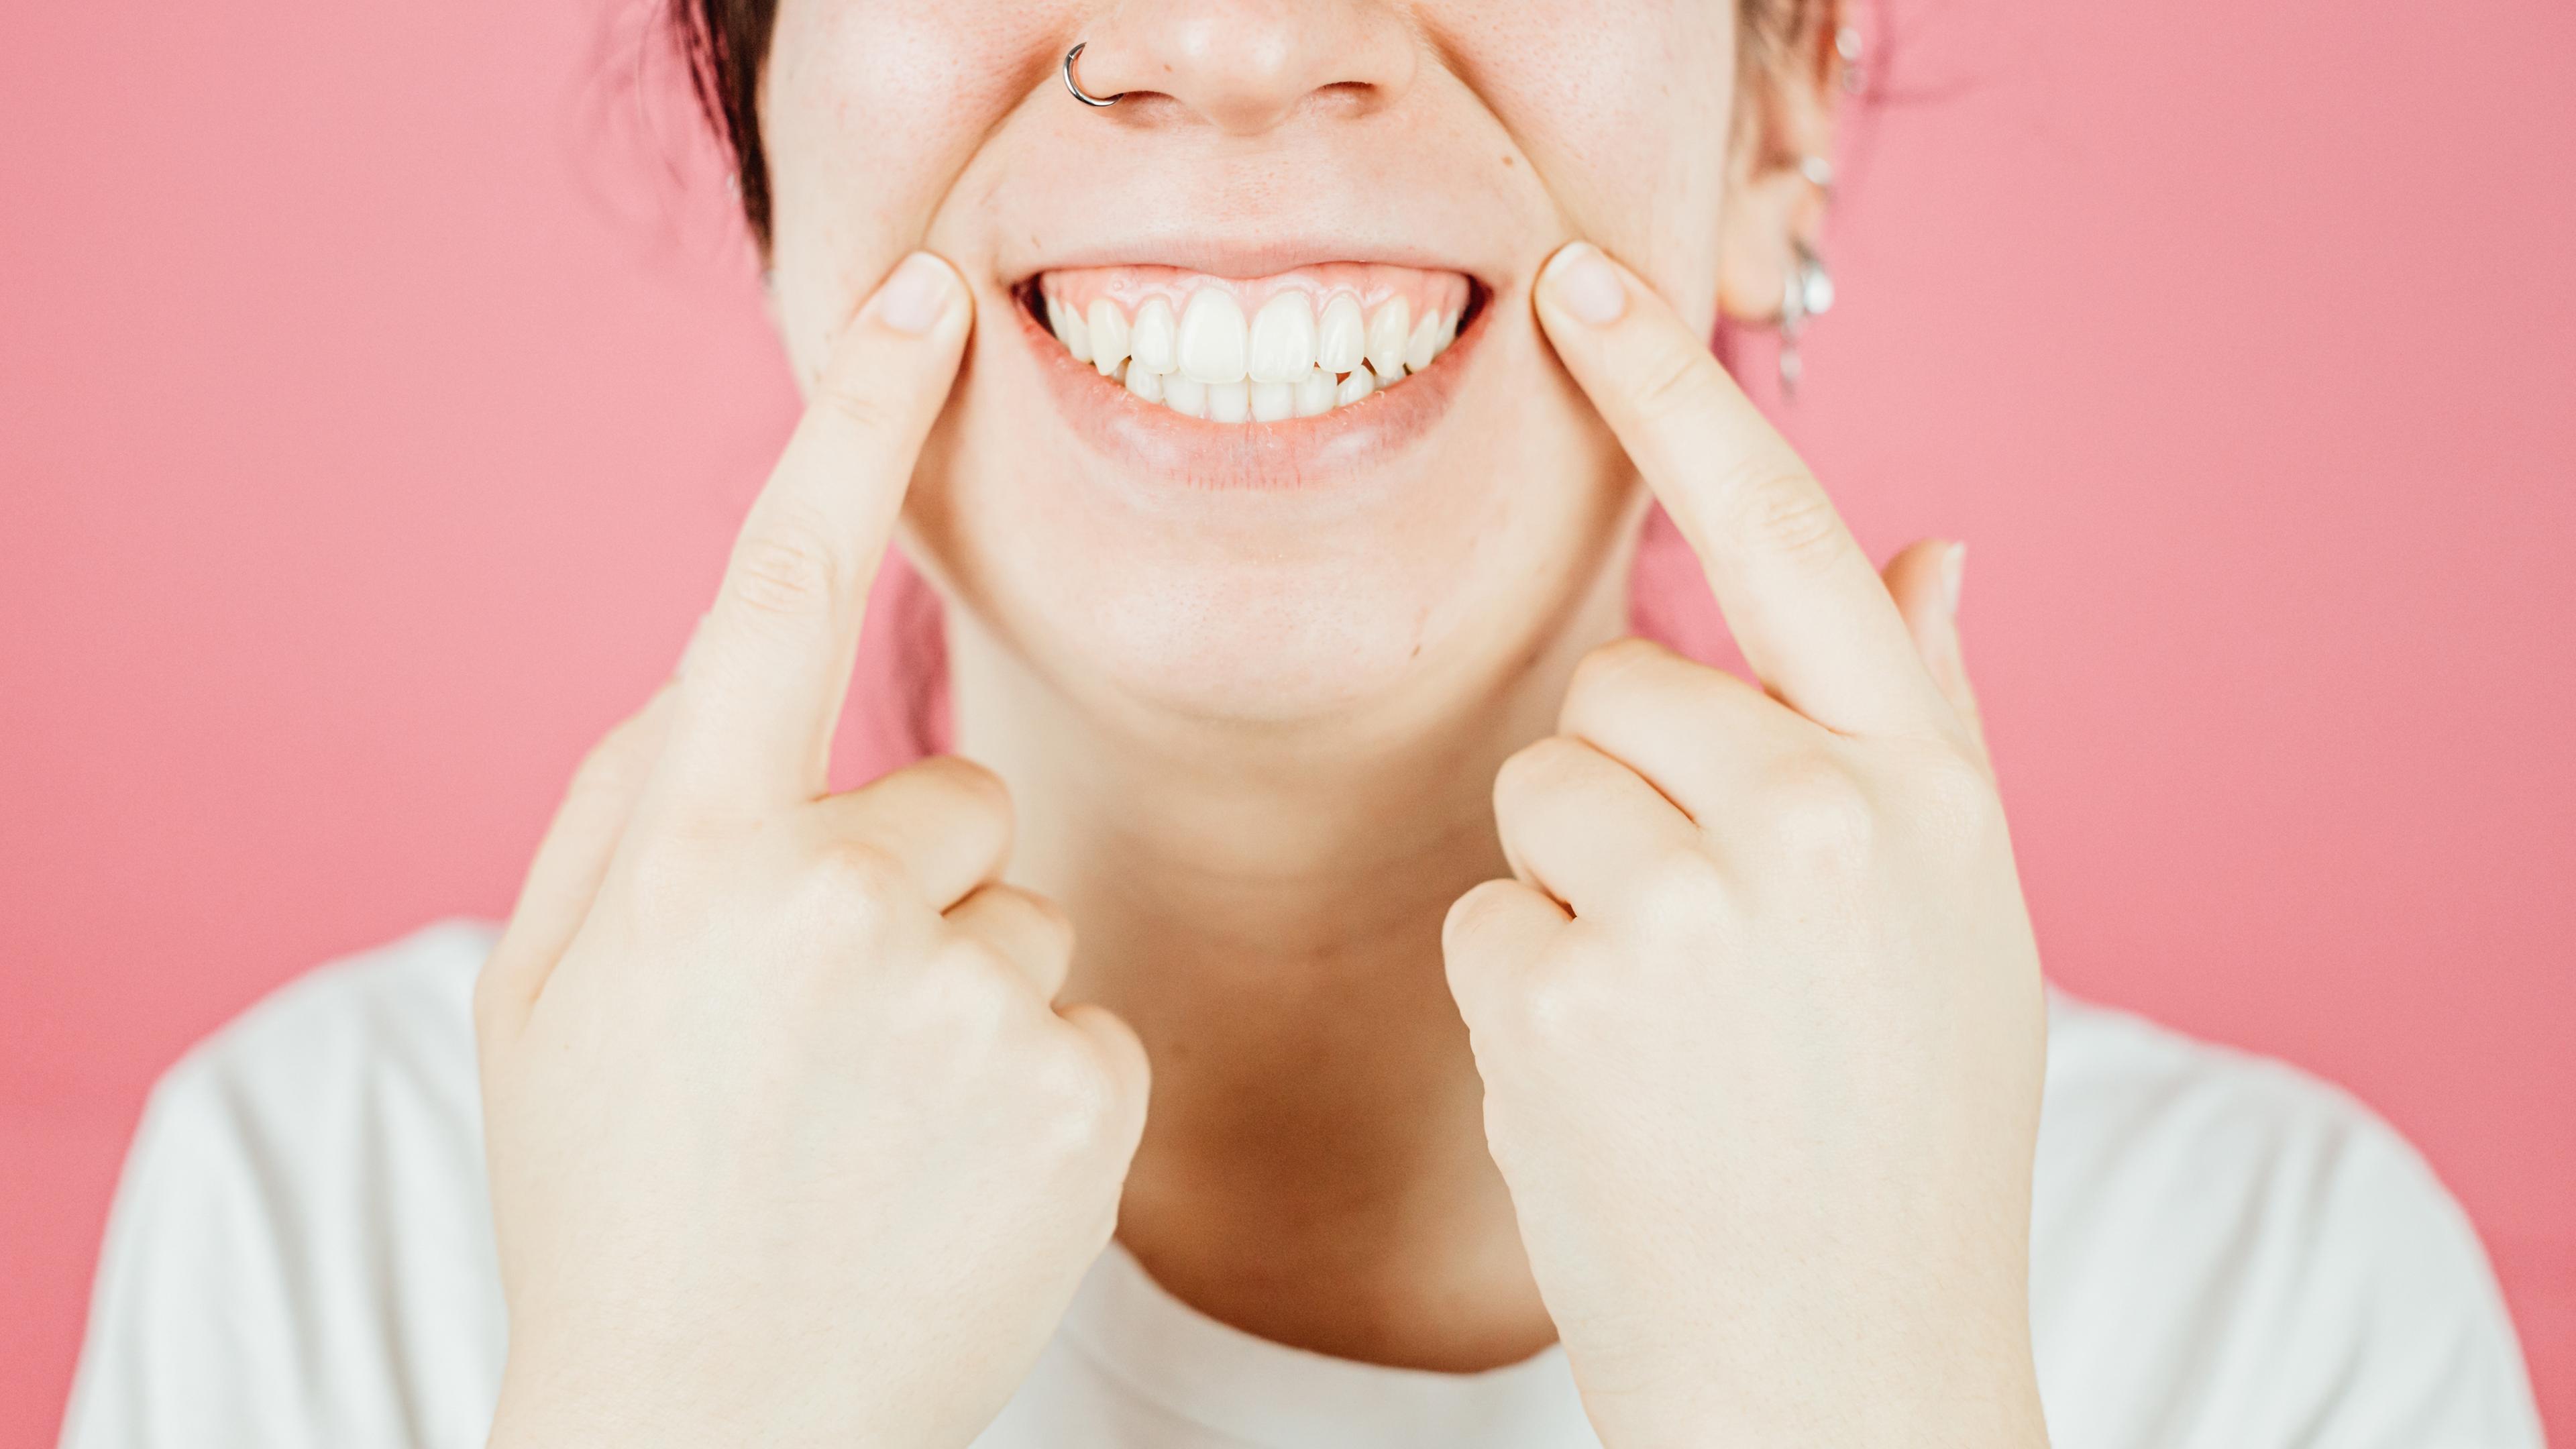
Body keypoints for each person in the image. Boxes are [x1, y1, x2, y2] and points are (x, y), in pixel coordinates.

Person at [60, 2, 2546, 1446]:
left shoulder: (2275, 1310)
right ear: (761, 119)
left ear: (1783, 96)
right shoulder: (340, 1228)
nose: (1236, 50)